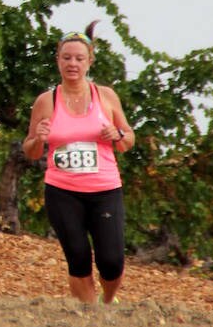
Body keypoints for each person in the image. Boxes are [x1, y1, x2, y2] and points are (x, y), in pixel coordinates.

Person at [23, 23, 136, 304]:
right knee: (78, 258)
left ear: (89, 62)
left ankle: (108, 302)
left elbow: (128, 139)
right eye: (67, 58)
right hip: (62, 190)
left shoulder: (106, 96)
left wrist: (117, 134)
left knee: (111, 261)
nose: (72, 64)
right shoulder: (45, 101)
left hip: (104, 189)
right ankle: (91, 317)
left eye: (79, 59)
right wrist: (38, 139)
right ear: (58, 61)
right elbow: (31, 151)